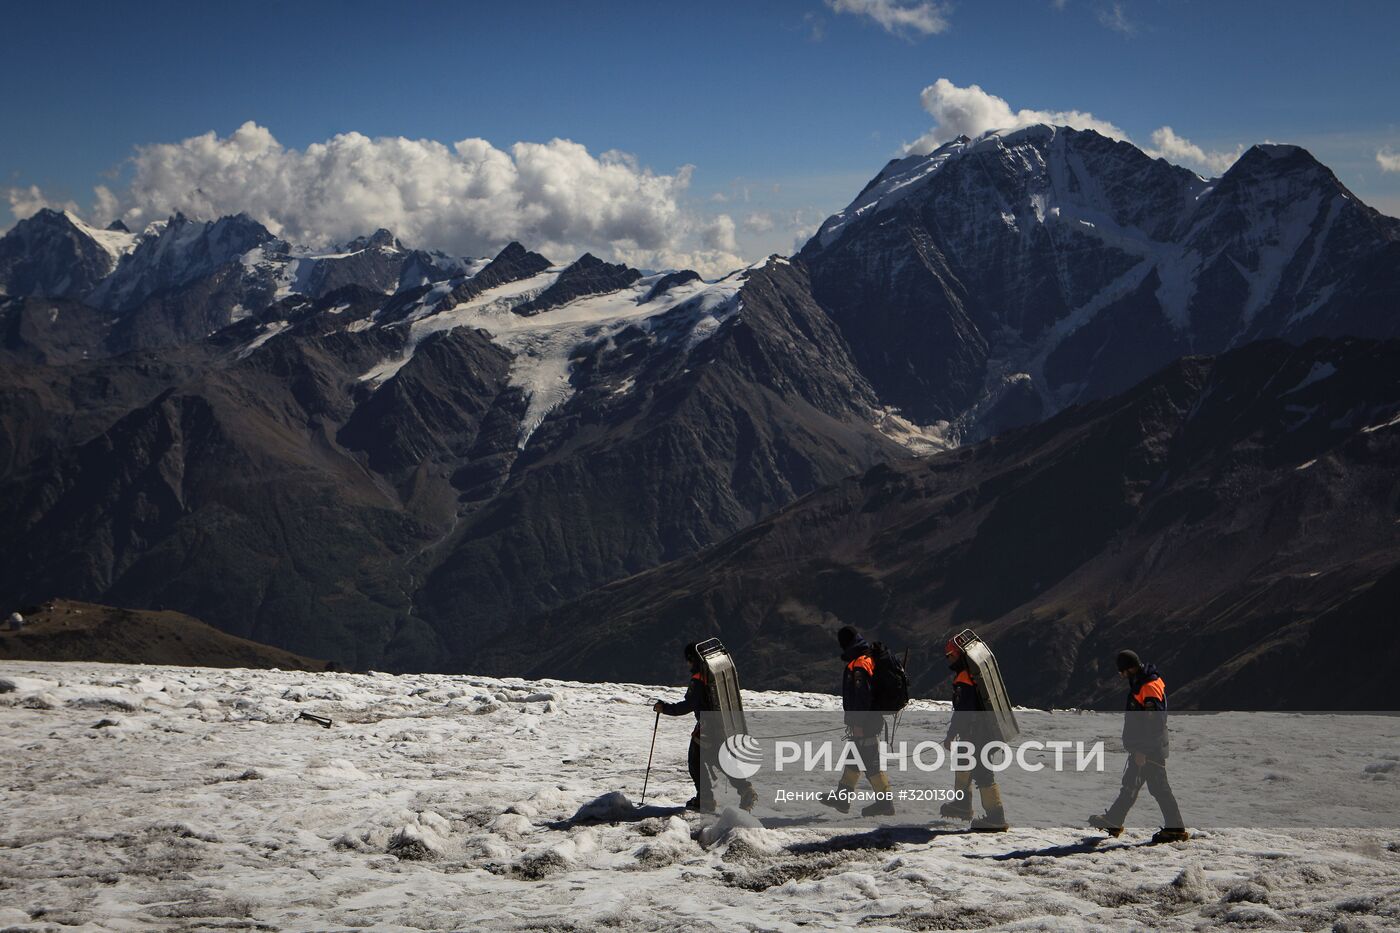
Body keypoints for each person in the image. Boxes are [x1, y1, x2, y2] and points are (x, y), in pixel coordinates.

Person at [1088, 649, 1189, 843]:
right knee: (1131, 785)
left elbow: (1154, 722)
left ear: (1131, 668)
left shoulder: (1149, 687)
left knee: (1159, 788)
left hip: (1149, 749)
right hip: (1145, 748)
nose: (1121, 675)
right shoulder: (1143, 682)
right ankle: (1114, 820)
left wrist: (1142, 750)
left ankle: (1176, 829)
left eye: (1122, 671)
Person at [654, 642, 758, 813]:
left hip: (707, 729)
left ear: (692, 660)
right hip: (721, 724)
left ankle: (706, 800)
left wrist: (665, 708)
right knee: (719, 759)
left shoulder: (698, 679)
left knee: (696, 762)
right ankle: (744, 790)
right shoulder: (713, 673)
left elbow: (688, 705)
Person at [821, 626, 895, 817]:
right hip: (867, 720)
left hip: (866, 722)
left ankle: (885, 803)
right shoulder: (864, 659)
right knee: (854, 759)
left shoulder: (860, 664)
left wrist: (859, 723)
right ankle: (842, 798)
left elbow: (863, 697)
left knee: (871, 763)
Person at [938, 638, 1008, 831]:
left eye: (949, 655)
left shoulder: (964, 678)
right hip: (983, 730)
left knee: (982, 772)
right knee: (964, 763)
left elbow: (963, 711)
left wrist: (951, 734)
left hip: (976, 732)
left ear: (957, 654)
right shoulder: (973, 675)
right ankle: (962, 805)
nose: (948, 659)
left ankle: (996, 817)